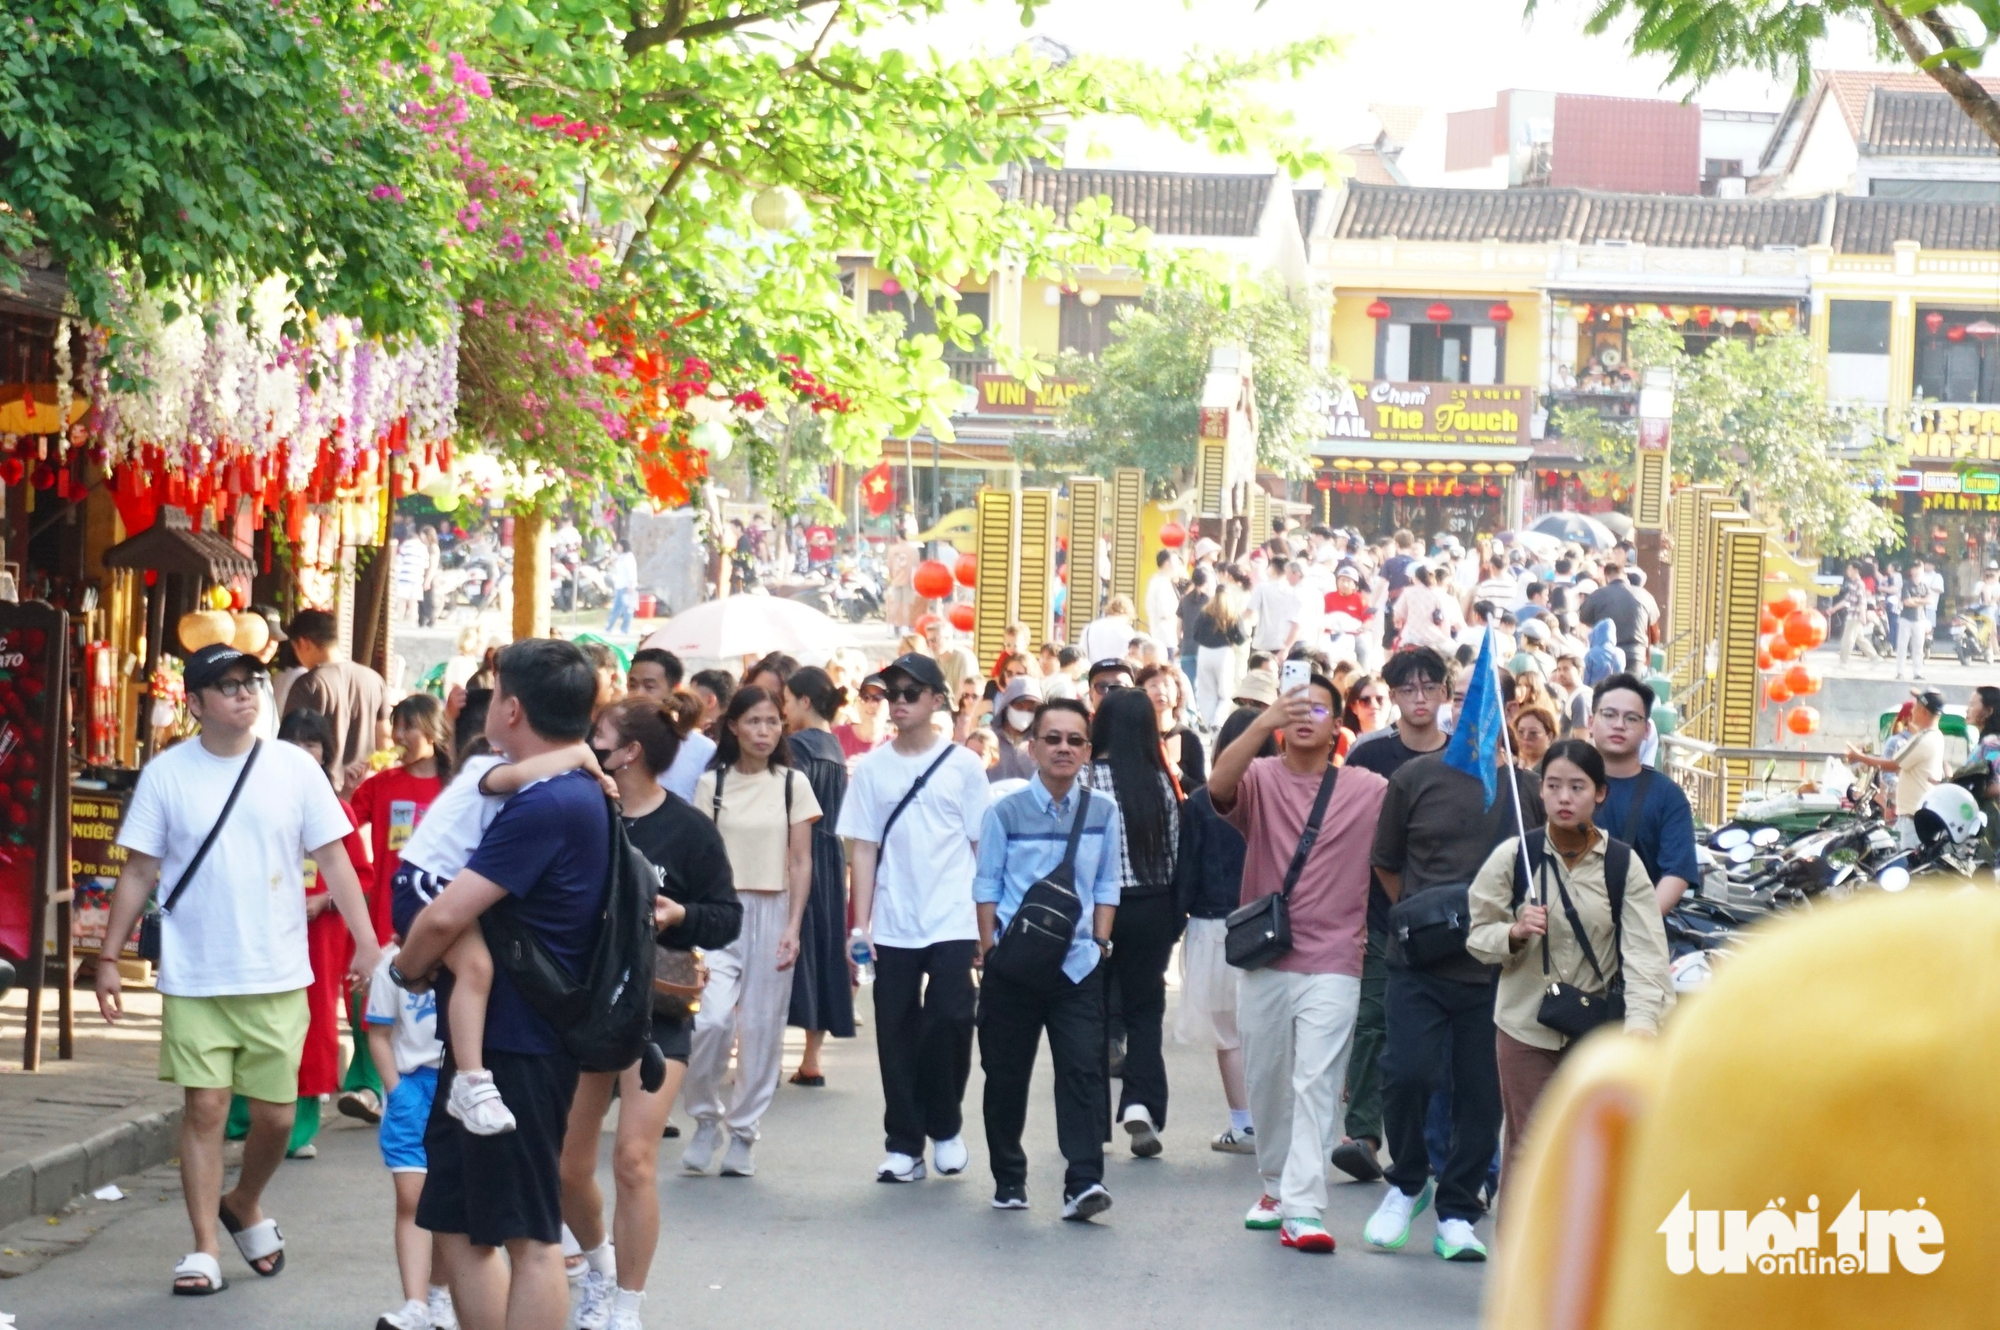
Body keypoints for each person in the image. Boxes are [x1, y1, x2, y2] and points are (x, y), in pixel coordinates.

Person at [94, 643, 381, 1296]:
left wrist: (367, 944)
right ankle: (203, 1248)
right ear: (194, 704)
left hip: (277, 972)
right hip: (196, 975)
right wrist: (108, 957)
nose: (245, 693)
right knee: (206, 1109)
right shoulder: (168, 775)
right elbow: (139, 870)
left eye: (251, 681)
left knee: (277, 1117)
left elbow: (335, 859)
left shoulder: (293, 769)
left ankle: (244, 1199)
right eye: (226, 686)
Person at [392, 639, 610, 1330]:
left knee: (531, 1235)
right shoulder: (558, 787)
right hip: (490, 1048)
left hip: (519, 1047)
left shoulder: (548, 803)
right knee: (460, 1223)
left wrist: (405, 969)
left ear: (511, 709)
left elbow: (446, 913)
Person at [560, 697, 742, 1330]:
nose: (588, 745)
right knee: (567, 1166)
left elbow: (725, 917)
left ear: (629, 752)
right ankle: (599, 1266)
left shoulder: (688, 829)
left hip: (655, 1012)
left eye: (600, 737)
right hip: (583, 1008)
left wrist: (679, 914)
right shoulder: (580, 811)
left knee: (634, 1159)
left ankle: (627, 1305)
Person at [1208, 674, 1389, 1253]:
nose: (1305, 716)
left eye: (1319, 709)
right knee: (1266, 1082)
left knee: (1317, 1083)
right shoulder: (1260, 777)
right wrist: (1264, 721)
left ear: (1337, 727)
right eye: (1296, 707)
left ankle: (1304, 1208)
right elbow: (1217, 785)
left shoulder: (1368, 788)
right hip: (1265, 956)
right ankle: (1274, 1186)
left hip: (1336, 957)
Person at [1362, 691, 1545, 1264]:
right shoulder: (1414, 778)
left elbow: (1544, 868)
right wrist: (1427, 917)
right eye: (1462, 697)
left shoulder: (1527, 790)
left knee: (1481, 1095)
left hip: (1498, 969)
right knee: (1407, 1072)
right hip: (1419, 963)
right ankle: (1407, 1180)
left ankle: (1459, 1210)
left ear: (1507, 710)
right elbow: (1386, 861)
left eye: (1484, 697)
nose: (1472, 707)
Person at [1466, 739, 1673, 1181]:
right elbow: (1477, 935)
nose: (1564, 797)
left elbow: (1646, 955)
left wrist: (1642, 1025)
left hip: (1594, 1031)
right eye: (1554, 785)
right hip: (1524, 1027)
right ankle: (1523, 1229)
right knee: (1532, 1149)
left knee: (1591, 1151)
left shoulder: (1622, 865)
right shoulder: (1516, 857)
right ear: (1540, 790)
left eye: (1577, 787)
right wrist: (1514, 933)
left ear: (1600, 793)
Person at [836, 652, 990, 1183]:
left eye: (909, 692)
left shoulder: (964, 766)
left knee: (951, 1018)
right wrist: (860, 925)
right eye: (889, 693)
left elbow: (980, 845)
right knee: (895, 1028)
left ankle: (945, 1126)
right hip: (895, 918)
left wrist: (985, 923)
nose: (897, 702)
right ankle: (904, 1143)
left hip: (953, 915)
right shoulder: (872, 768)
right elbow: (863, 849)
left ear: (936, 699)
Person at [973, 698, 1125, 1220]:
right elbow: (987, 885)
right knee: (1006, 1075)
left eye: (1074, 740)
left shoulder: (1104, 812)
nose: (1064, 748)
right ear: (1033, 747)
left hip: (1078, 964)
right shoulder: (1005, 811)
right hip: (1013, 967)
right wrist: (991, 951)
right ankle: (1009, 1178)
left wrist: (1100, 945)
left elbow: (1107, 884)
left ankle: (1083, 1182)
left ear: (1087, 751)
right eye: (1053, 738)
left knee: (1082, 1070)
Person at [683, 686, 821, 1177]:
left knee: (762, 1027)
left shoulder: (792, 784)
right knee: (710, 1021)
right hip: (720, 912)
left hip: (775, 908)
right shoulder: (712, 784)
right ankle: (705, 1118)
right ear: (734, 727)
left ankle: (743, 1132)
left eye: (772, 722)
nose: (764, 732)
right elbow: (697, 859)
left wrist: (793, 926)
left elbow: (801, 861)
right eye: (754, 721)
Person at [1332, 646, 1451, 1182]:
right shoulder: (1369, 754)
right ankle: (1362, 1133)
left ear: (1444, 692)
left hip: (1449, 917)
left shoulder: (1464, 755)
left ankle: (1435, 1143)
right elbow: (1346, 835)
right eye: (1407, 689)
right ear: (1394, 695)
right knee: (1373, 1021)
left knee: (1442, 1036)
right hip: (1382, 914)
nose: (1419, 698)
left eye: (1429, 687)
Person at [1085, 687, 1183, 1158]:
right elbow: (1175, 851)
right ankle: (1141, 1103)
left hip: (1096, 908)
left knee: (1087, 1008)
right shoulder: (1160, 782)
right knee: (1145, 1009)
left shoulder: (1085, 779)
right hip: (1152, 904)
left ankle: (1089, 1118)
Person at [1173, 707, 1266, 1154]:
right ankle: (1275, 1121)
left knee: (1228, 1035)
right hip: (1273, 924)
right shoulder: (1280, 797)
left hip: (1214, 926)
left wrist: (1176, 917)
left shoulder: (1200, 803)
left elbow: (1186, 871)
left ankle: (1243, 1124)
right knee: (1271, 1031)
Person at [365, 920, 457, 1330]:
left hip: (457, 1081)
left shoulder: (471, 959)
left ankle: (440, 1294)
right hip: (411, 1085)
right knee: (412, 1198)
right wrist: (397, 1092)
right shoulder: (390, 966)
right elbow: (379, 1036)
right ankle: (415, 1304)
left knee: (449, 1199)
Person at [781, 668, 857, 1086]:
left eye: (787, 700)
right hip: (830, 854)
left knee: (789, 945)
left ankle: (763, 1055)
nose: (784, 709)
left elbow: (789, 806)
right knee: (825, 949)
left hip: (801, 851)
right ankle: (812, 1058)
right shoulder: (834, 745)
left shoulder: (797, 746)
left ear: (805, 701)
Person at [1588, 674, 1701, 913]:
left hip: (1638, 926)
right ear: (1590, 721)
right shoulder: (1565, 785)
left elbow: (1677, 872)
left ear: (1647, 729)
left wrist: (1640, 924)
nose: (1619, 725)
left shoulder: (1667, 796)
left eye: (1631, 718)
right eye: (1609, 714)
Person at [283, 608, 393, 794]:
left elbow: (292, 745)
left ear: (303, 643)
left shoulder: (308, 684)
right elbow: (385, 742)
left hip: (321, 792)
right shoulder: (374, 679)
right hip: (365, 791)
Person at [1848, 687, 1949, 840]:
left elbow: (1894, 765)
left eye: (1915, 707)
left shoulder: (1924, 738)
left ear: (1923, 712)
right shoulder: (1935, 737)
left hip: (1914, 818)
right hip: (1913, 815)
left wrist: (1860, 757)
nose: (1912, 711)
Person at [628, 647, 716, 800]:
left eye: (649, 687)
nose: (637, 694)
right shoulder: (617, 740)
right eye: (632, 685)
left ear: (674, 690)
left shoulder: (702, 750)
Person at [1138, 663, 1205, 793]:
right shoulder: (1135, 734)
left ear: (1178, 694)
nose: (1161, 691)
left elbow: (1202, 790)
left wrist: (1178, 775)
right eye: (1153, 685)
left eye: (1167, 685)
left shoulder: (1188, 737)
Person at [1192, 577, 1249, 726]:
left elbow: (1195, 634)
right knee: (1225, 693)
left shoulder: (1205, 612)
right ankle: (1218, 722)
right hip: (1224, 653)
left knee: (1207, 692)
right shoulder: (1232, 613)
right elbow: (1241, 638)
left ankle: (1208, 722)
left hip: (1204, 652)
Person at [1578, 563, 1652, 671]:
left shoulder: (1597, 596)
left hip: (1606, 654)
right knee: (1631, 682)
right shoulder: (1644, 595)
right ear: (1625, 575)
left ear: (1606, 577)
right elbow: (1653, 623)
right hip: (1635, 653)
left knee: (1606, 682)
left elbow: (1584, 619)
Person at [988, 676, 1042, 782]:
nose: (1025, 712)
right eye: (1019, 707)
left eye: (1030, 709)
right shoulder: (988, 738)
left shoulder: (1041, 743)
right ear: (1007, 706)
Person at [1249, 555, 1302, 653]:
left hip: (1262, 642)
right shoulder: (1293, 590)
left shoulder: (1262, 588)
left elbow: (1249, 611)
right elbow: (1297, 623)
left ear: (1272, 568)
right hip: (1283, 643)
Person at [836, 672, 892, 760]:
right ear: (858, 702)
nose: (871, 704)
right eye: (865, 697)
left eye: (878, 698)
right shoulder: (836, 736)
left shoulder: (895, 748)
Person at [1080, 594, 1140, 664]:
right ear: (1128, 613)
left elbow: (1082, 653)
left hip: (1094, 669)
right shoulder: (1127, 630)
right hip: (1118, 668)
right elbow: (1131, 656)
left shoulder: (1089, 628)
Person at [1176, 566, 1213, 680]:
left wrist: (1180, 643)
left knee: (1188, 683)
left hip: (1187, 648)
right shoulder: (1210, 601)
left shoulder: (1184, 600)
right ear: (1206, 582)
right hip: (1205, 649)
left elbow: (1178, 627)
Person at [1146, 549, 1184, 652]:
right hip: (1166, 638)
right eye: (1177, 563)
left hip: (1161, 636)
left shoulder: (1157, 581)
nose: (1179, 567)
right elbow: (1165, 612)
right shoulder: (1162, 584)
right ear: (1167, 564)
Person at [1512, 701, 1558, 772]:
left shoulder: (1553, 768)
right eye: (1520, 732)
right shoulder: (1514, 767)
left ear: (1549, 737)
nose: (1525, 737)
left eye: (1533, 733)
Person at [606, 539, 638, 636]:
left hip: (626, 586)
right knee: (616, 608)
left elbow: (631, 572)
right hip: (619, 586)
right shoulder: (621, 557)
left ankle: (625, 629)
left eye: (619, 546)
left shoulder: (629, 557)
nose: (617, 548)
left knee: (627, 609)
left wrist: (631, 585)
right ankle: (609, 628)